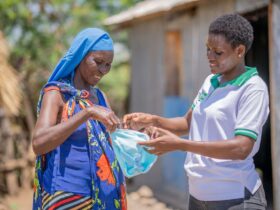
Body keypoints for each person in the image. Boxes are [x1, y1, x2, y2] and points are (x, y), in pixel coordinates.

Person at [124, 14, 269, 210]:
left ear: (239, 51)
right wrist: (153, 120)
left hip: (235, 198)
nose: (209, 56)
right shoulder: (211, 82)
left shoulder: (253, 89)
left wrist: (180, 145)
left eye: (217, 52)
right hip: (199, 196)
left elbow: (241, 148)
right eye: (207, 49)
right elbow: (188, 123)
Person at [32, 28, 127, 210]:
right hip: (66, 194)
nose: (103, 70)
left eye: (108, 65)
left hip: (102, 196)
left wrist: (134, 130)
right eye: (98, 62)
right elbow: (38, 143)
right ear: (81, 56)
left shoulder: (99, 97)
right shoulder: (56, 95)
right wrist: (86, 113)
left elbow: (110, 139)